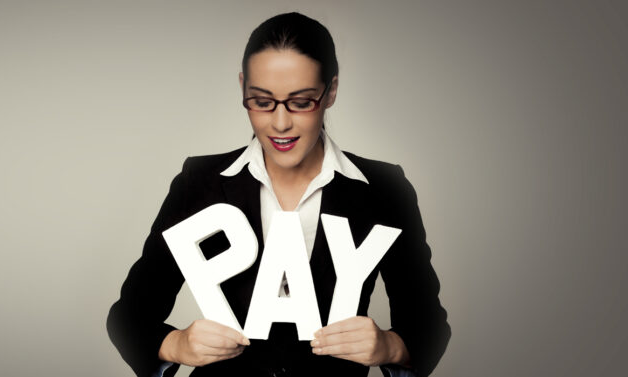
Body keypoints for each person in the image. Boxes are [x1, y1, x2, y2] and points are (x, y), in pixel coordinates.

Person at [106, 12, 451, 377]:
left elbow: (428, 324)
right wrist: (176, 344)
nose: (281, 123)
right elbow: (129, 317)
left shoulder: (385, 189)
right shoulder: (199, 182)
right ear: (243, 87)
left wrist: (391, 346)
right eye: (261, 101)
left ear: (331, 91)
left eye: (301, 102)